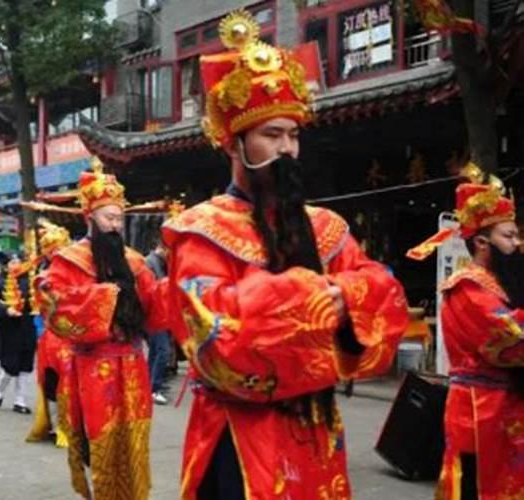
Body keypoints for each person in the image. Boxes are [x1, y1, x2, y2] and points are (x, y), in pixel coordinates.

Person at [161, 10, 409, 499]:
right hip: (239, 436)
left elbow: (383, 291)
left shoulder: (325, 227)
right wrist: (318, 297)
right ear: (235, 143)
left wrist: (345, 295)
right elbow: (218, 341)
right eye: (271, 135)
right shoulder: (202, 231)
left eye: (293, 135)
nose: (287, 149)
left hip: (315, 431)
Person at [39, 159, 167, 500]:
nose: (115, 225)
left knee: (135, 442)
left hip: (133, 367)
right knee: (101, 443)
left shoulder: (135, 261)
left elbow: (154, 312)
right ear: (89, 217)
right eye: (109, 218)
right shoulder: (69, 261)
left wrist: (172, 289)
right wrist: (107, 296)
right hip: (93, 369)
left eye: (119, 218)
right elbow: (57, 310)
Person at [407, 168, 524, 499]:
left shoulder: (501, 284)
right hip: (479, 409)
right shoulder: (467, 288)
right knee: (477, 485)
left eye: (518, 235)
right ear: (482, 242)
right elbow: (511, 338)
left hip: (506, 406)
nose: (518, 244)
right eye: (510, 236)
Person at [27, 218, 73, 446]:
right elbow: (39, 310)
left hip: (71, 337)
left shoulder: (77, 274)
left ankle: (70, 426)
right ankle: (58, 426)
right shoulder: (42, 278)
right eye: (52, 253)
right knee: (52, 382)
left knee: (70, 382)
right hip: (51, 338)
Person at [0, 252, 37, 413]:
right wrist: (7, 310)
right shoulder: (0, 284)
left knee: (26, 366)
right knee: (10, 366)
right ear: (7, 266)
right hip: (9, 329)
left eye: (18, 262)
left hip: (27, 326)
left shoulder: (30, 283)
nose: (16, 265)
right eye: (12, 262)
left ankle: (20, 400)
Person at [145, 241, 171, 405]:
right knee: (163, 351)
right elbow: (150, 289)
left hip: (158, 314)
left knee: (156, 350)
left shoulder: (156, 262)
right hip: (154, 314)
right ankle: (154, 387)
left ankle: (150, 384)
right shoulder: (150, 263)